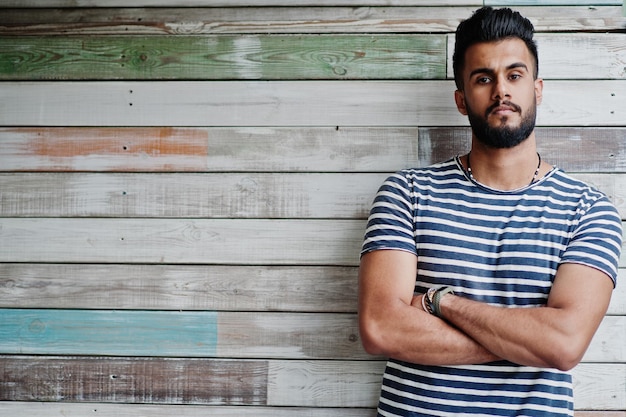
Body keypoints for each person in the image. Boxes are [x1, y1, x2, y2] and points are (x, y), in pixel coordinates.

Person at [358, 6, 623, 417]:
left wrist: (441, 302)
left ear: (537, 89)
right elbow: (380, 328)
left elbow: (565, 345)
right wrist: (527, 341)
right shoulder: (406, 193)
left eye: (514, 75)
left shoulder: (588, 210)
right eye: (484, 78)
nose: (501, 90)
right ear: (462, 100)